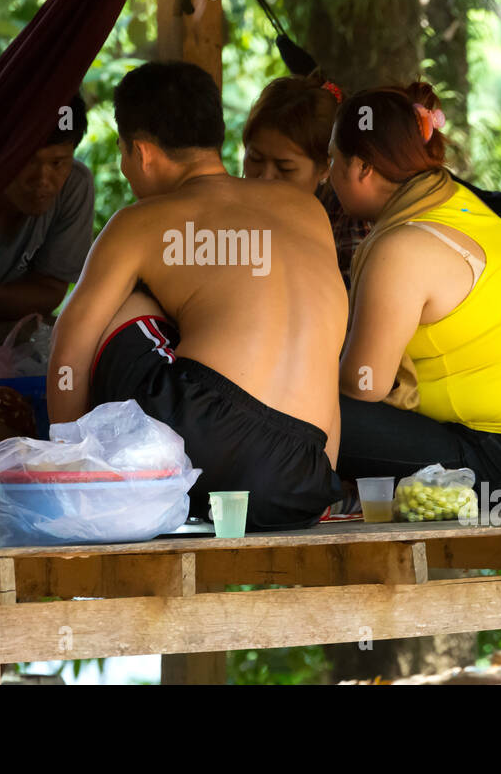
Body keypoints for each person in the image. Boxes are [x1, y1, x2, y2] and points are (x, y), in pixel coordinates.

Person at [47, 61, 346, 530]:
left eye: (124, 156)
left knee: (124, 300)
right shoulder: (308, 209)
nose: (127, 172)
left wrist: (65, 461)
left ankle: (105, 482)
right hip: (304, 479)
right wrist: (324, 475)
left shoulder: (139, 222)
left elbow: (69, 351)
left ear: (142, 153)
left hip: (200, 455)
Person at [330, 82, 501, 494]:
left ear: (361, 168)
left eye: (333, 160)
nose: (330, 175)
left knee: (300, 410)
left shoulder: (402, 246)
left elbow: (363, 382)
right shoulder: (454, 201)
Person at [242, 74, 371, 288]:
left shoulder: (349, 225)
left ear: (324, 167)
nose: (265, 177)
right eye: (255, 159)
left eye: (285, 168)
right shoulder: (230, 207)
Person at [0, 91, 95, 335]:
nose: (42, 180)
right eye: (27, 161)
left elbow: (50, 292)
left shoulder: (74, 185)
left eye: (58, 163)